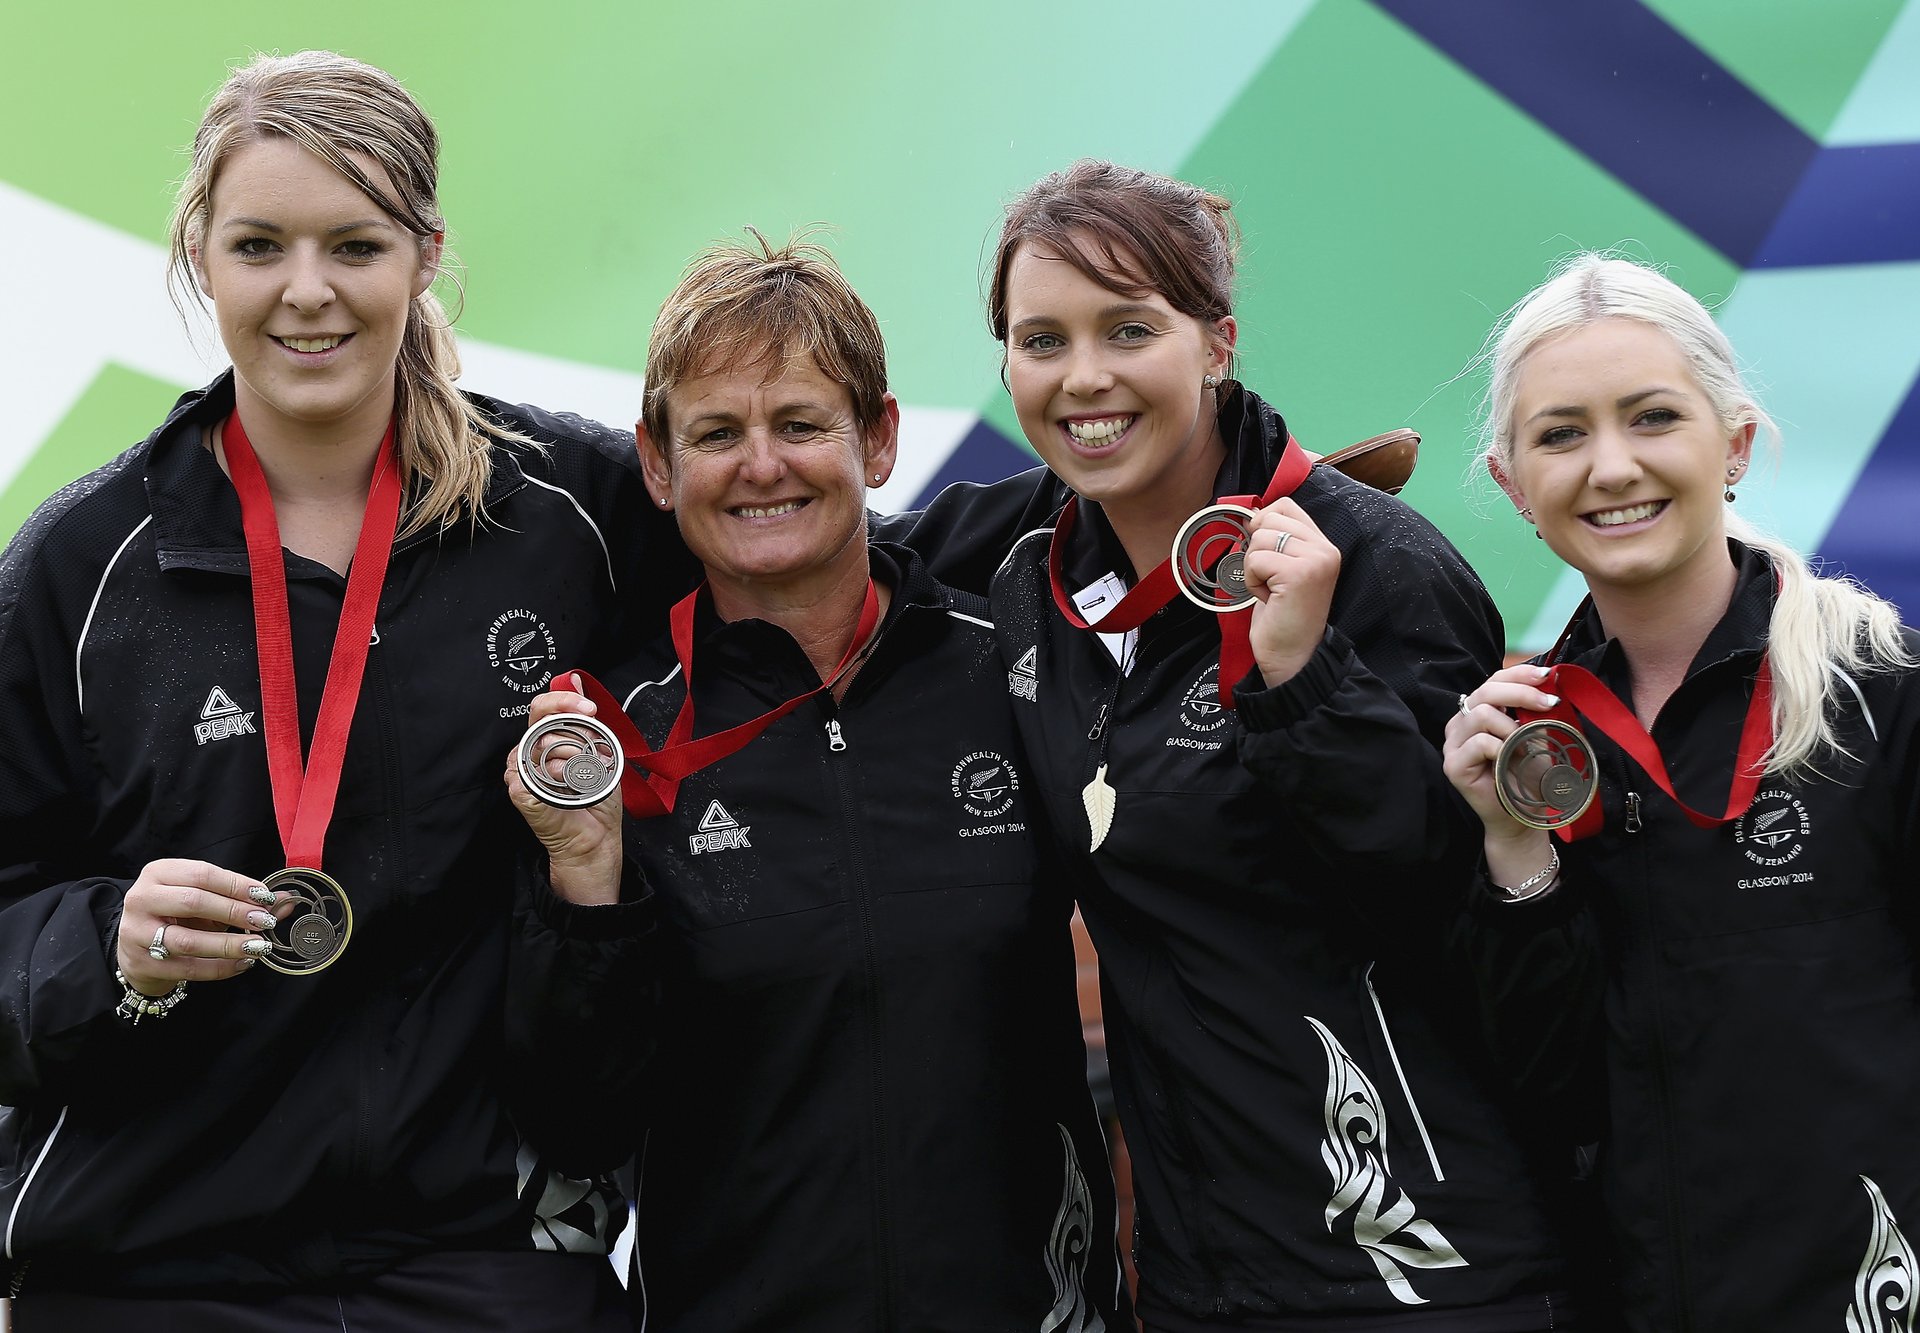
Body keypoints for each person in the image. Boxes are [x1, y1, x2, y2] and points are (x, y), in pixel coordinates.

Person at [0, 51, 688, 1329]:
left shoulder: (574, 518)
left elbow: (817, 569)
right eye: (260, 245)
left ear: (424, 254)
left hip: (486, 1263)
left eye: (354, 246)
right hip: (151, 1265)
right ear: (200, 255)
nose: (306, 293)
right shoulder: (80, 568)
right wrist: (105, 950)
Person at [894, 160, 1582, 1329]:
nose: (1084, 378)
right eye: (1041, 340)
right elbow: (811, 546)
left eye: (1128, 329)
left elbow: (1457, 912)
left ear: (1217, 343)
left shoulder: (1377, 567)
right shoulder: (1026, 573)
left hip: (1428, 1268)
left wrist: (1302, 680)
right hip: (1204, 1275)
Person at [507, 234, 1126, 1332]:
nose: (762, 465)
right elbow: (578, 1119)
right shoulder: (620, 734)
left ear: (878, 438)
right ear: (657, 464)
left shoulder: (1011, 665)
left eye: (800, 423)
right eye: (716, 434)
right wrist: (585, 875)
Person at [1446, 253, 1920, 1332]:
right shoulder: (1530, 746)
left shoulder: (1887, 698)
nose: (1611, 466)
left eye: (1653, 417)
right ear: (1516, 484)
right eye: (1562, 433)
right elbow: (1548, 1090)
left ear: (1735, 444)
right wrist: (1511, 851)